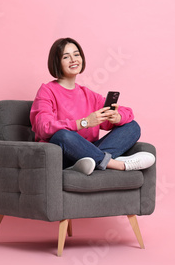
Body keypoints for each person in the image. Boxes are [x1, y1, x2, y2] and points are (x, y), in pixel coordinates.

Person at [30, 37, 155, 175]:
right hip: (63, 154)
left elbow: (128, 113)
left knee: (132, 127)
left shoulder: (88, 94)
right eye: (66, 57)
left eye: (76, 54)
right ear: (57, 62)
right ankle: (117, 164)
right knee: (63, 135)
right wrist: (85, 122)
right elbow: (43, 127)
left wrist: (117, 117)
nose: (73, 59)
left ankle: (90, 162)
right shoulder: (47, 91)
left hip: (88, 153)